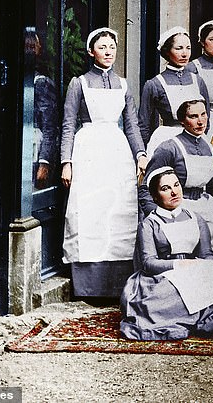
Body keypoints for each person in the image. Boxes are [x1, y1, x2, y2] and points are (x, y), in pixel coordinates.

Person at [61, 28, 145, 297]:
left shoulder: (123, 84)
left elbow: (132, 124)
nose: (109, 52)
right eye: (103, 47)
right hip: (87, 149)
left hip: (117, 151)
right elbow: (68, 124)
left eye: (112, 47)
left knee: (118, 210)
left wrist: (140, 154)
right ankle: (88, 286)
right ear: (91, 52)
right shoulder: (80, 83)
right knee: (89, 211)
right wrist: (66, 161)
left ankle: (117, 284)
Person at [120, 167, 213, 341]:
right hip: (163, 275)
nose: (174, 191)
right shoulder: (150, 224)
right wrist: (177, 265)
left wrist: (202, 267)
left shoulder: (195, 218)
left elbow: (206, 253)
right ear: (155, 196)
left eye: (176, 185)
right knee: (165, 294)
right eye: (165, 188)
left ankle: (199, 314)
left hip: (192, 269)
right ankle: (183, 316)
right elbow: (148, 263)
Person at [139, 99, 213, 259]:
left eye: (203, 114)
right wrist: (157, 214)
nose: (200, 121)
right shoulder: (169, 148)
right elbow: (146, 187)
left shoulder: (212, 151)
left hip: (205, 202)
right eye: (193, 116)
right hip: (179, 205)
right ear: (182, 121)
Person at [140, 26, 210, 157]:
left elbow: (207, 119)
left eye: (188, 48)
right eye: (179, 48)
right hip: (167, 139)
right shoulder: (154, 84)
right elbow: (144, 125)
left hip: (195, 140)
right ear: (167, 51)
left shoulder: (198, 81)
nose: (185, 53)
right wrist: (142, 154)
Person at [26, 32, 60, 188]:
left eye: (33, 47)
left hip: (34, 147)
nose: (30, 51)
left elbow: (49, 127)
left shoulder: (41, 83)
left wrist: (44, 163)